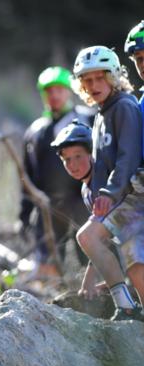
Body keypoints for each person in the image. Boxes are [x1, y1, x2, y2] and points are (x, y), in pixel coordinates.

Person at [64, 45, 144, 321]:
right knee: (131, 259)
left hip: (133, 196)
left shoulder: (124, 106)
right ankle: (128, 307)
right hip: (120, 197)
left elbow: (129, 156)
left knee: (92, 238)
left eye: (100, 78)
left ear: (113, 77)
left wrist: (109, 193)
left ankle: (127, 307)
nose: (94, 85)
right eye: (87, 80)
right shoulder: (101, 113)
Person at [19, 66, 92, 279]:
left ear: (69, 91)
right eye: (49, 91)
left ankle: (98, 299)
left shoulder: (88, 120)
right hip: (48, 205)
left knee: (88, 255)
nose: (54, 96)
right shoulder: (35, 131)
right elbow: (27, 176)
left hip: (83, 199)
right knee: (48, 259)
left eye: (59, 90)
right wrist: (24, 213)